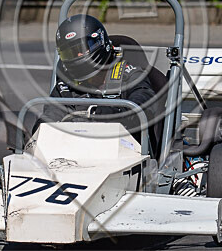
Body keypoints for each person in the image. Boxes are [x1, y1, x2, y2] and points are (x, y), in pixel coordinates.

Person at [43, 14, 158, 151]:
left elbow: (144, 103)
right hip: (76, 153)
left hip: (124, 151)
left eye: (81, 49)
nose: (77, 56)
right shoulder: (66, 85)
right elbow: (50, 117)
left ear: (98, 42)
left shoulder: (129, 75)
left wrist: (108, 115)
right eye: (70, 52)